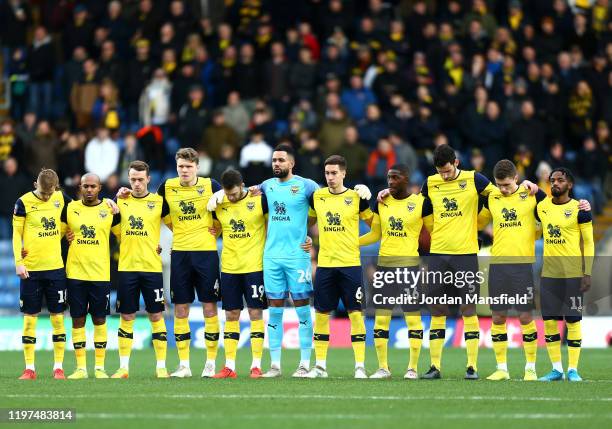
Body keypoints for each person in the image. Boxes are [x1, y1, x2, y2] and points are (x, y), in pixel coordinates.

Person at [359, 164, 433, 379]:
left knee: (413, 320)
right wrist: (350, 243)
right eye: (389, 177)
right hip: (385, 269)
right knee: (381, 320)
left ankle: (412, 368)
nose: (390, 181)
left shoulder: (421, 204)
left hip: (410, 269)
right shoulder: (381, 202)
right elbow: (375, 234)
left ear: (406, 179)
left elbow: (434, 233)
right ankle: (383, 368)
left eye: (395, 177)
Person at [154, 148, 222, 378]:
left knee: (209, 306)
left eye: (188, 166)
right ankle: (184, 365)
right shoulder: (167, 186)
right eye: (181, 166)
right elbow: (157, 213)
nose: (184, 170)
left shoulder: (211, 185)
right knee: (180, 308)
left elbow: (230, 207)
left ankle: (210, 363)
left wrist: (218, 228)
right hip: (181, 253)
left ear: (197, 167)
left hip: (206, 253)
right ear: (176, 166)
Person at [306, 155, 373, 379]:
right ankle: (320, 366)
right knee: (322, 315)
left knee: (356, 314)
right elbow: (308, 222)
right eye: (327, 173)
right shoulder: (318, 196)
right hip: (325, 265)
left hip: (350, 265)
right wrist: (305, 238)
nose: (330, 177)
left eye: (334, 173)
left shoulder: (356, 197)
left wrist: (357, 241)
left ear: (344, 173)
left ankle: (360, 366)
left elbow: (376, 226)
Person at [110, 161, 170, 379]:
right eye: (133, 179)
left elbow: (176, 226)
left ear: (148, 179)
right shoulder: (120, 201)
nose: (136, 183)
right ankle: (123, 367)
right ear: (128, 179)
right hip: (127, 268)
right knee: (127, 316)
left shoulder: (159, 202)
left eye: (140, 179)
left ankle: (161, 366)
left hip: (152, 269)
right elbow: (115, 230)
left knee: (156, 315)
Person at [536, 168, 594, 382]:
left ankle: (573, 369)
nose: (555, 183)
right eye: (552, 180)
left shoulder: (580, 209)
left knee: (573, 320)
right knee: (550, 321)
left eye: (560, 180)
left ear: (569, 184)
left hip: (572, 275)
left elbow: (588, 242)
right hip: (549, 275)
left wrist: (587, 272)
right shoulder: (541, 208)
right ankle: (556, 370)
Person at [210, 169, 269, 378]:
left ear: (242, 185)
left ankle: (256, 365)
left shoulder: (259, 201)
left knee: (255, 313)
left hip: (254, 267)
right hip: (229, 268)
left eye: (234, 193)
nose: (232, 198)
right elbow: (213, 230)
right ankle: (229, 366)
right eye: (228, 194)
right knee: (231, 315)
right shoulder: (219, 204)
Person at [12, 169, 70, 379]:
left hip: (55, 268)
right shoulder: (23, 202)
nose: (47, 197)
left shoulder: (61, 198)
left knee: (58, 319)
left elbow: (80, 211)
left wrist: (108, 203)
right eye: (43, 193)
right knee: (30, 319)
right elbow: (16, 234)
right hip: (31, 269)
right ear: (36, 183)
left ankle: (58, 367)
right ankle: (30, 368)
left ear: (56, 187)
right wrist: (19, 262)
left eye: (50, 193)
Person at [63, 173, 120, 379]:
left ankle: (99, 368)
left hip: (100, 274)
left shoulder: (109, 208)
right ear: (80, 187)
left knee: (99, 319)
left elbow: (123, 234)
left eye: (93, 186)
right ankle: (80, 368)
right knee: (77, 319)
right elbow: (56, 233)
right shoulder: (70, 209)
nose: (89, 190)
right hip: (76, 273)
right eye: (85, 186)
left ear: (100, 188)